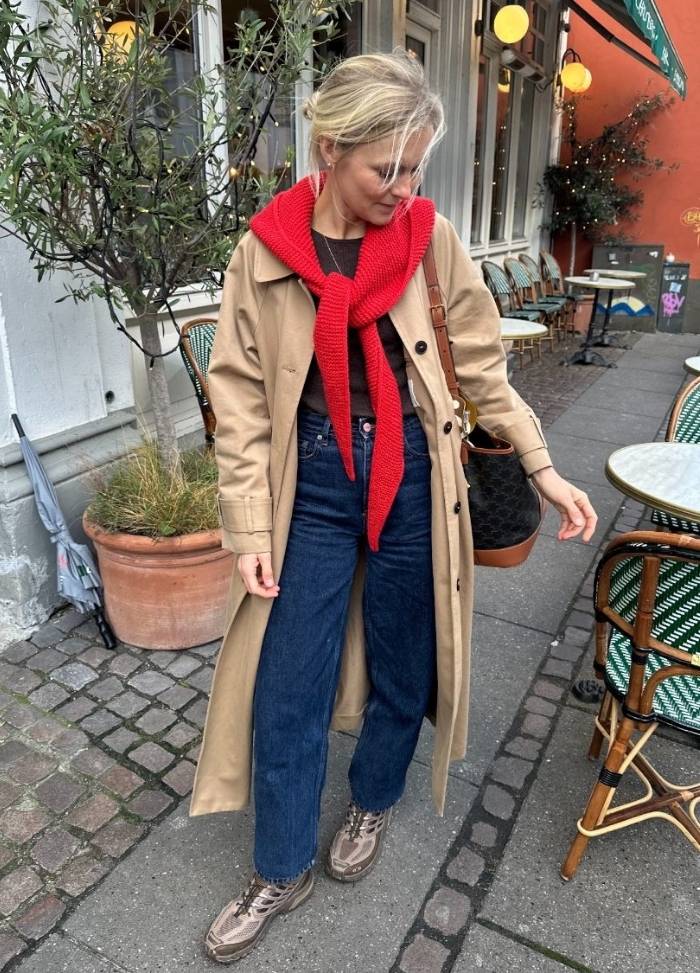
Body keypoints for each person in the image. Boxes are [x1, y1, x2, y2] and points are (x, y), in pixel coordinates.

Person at [190, 50, 597, 964]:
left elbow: (483, 366)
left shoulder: (430, 238)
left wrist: (543, 465)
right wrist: (249, 527)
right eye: (387, 168)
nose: (404, 188)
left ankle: (372, 801)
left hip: (416, 473)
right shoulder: (264, 252)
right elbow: (244, 403)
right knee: (285, 682)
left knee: (408, 665)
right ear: (330, 148)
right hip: (317, 482)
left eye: (416, 168)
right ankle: (279, 866)